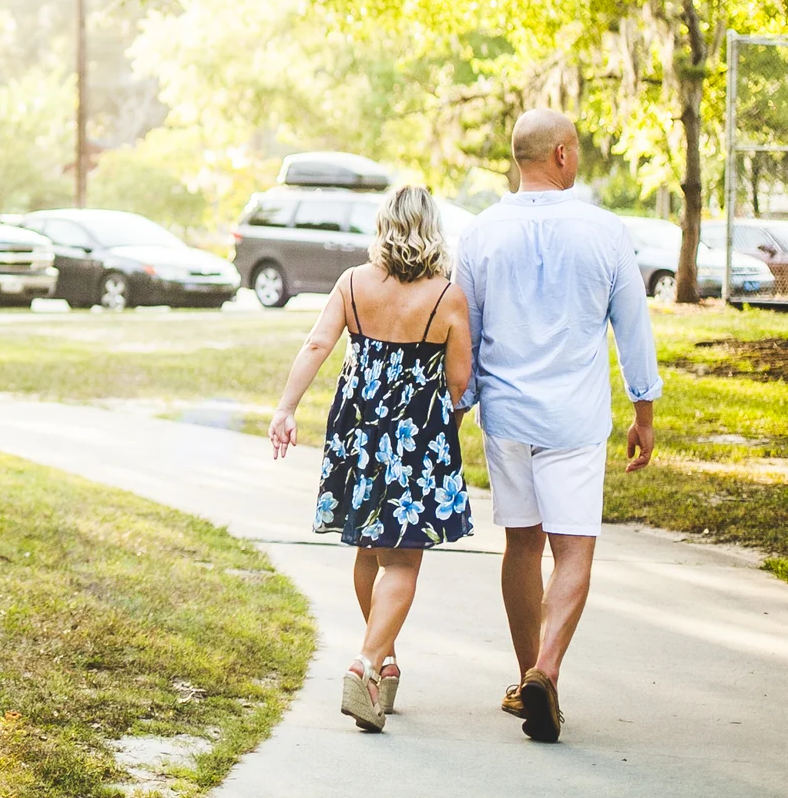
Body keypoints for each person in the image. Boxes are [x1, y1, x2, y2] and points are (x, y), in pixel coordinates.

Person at [456, 108, 661, 744]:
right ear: (562, 155)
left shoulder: (480, 233)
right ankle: (545, 673)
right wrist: (644, 411)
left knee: (522, 544)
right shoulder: (605, 231)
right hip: (573, 419)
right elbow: (633, 328)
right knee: (573, 549)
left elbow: (466, 335)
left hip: (507, 415)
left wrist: (457, 409)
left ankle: (527, 679)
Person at [269, 184, 474, 733]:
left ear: (383, 226)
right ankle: (364, 663)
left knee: (366, 548)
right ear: (432, 231)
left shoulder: (352, 284)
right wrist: (447, 429)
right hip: (417, 438)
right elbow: (460, 382)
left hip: (359, 432)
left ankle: (383, 661)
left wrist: (286, 409)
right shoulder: (447, 297)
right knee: (402, 561)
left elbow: (317, 344)